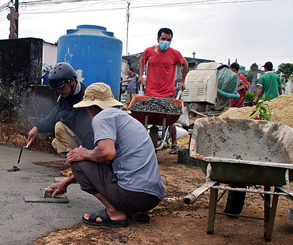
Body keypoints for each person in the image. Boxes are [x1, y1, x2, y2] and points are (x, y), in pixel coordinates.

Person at [48, 83, 165, 227]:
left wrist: (84, 153)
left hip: (132, 195)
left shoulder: (102, 116)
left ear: (91, 107)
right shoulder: (126, 119)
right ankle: (139, 212)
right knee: (87, 157)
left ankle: (113, 212)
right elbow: (101, 164)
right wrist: (67, 182)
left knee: (77, 159)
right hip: (151, 198)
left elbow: (106, 153)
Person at [138, 27, 189, 154]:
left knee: (170, 118)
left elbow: (185, 63)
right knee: (144, 118)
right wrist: (140, 75)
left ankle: (174, 144)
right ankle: (140, 141)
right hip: (150, 92)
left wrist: (182, 81)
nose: (166, 41)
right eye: (163, 39)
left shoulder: (174, 54)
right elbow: (142, 61)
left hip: (168, 92)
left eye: (169, 39)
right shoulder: (149, 51)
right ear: (158, 39)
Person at [27, 62, 94, 156]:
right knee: (56, 142)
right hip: (78, 137)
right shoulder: (65, 96)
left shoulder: (85, 98)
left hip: (90, 144)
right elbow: (54, 116)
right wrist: (37, 128)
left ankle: (77, 162)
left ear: (72, 81)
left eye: (61, 87)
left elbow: (90, 134)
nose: (59, 91)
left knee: (59, 127)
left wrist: (85, 154)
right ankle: (73, 160)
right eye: (57, 89)